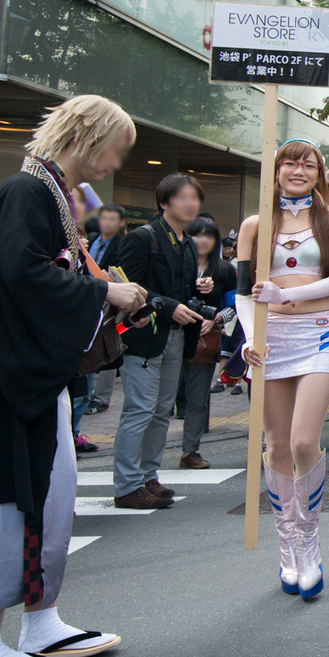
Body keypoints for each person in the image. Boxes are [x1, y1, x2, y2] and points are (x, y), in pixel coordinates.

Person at [0, 94, 145, 657]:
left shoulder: (47, 194)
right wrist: (105, 294)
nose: (117, 160)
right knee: (10, 498)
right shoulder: (27, 193)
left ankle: (40, 620)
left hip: (36, 373)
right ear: (88, 135)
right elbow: (21, 274)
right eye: (117, 146)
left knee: (52, 494)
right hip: (10, 376)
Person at [236, 139, 329, 599]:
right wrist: (250, 337)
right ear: (277, 169)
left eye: (308, 163)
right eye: (290, 162)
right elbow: (245, 292)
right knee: (277, 444)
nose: (298, 170)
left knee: (306, 440)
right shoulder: (255, 224)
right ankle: (288, 544)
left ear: (319, 172)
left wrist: (286, 295)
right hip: (271, 341)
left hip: (321, 333)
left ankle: (309, 538)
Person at [110, 174, 207, 508]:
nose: (190, 203)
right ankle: (127, 485)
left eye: (195, 197)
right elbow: (125, 286)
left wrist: (198, 292)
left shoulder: (188, 243)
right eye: (182, 197)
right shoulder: (143, 237)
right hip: (145, 337)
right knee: (139, 409)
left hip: (177, 336)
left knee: (161, 411)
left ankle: (149, 476)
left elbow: (182, 289)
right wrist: (169, 305)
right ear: (164, 201)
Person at [178, 217, 235, 470]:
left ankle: (190, 451)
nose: (202, 240)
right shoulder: (176, 264)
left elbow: (234, 305)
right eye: (196, 235)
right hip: (172, 336)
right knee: (161, 399)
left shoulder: (224, 270)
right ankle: (150, 454)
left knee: (198, 399)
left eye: (208, 236)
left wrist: (217, 320)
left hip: (203, 341)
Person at [84, 205, 127, 414]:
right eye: (104, 218)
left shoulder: (122, 244)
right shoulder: (90, 239)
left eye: (112, 219)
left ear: (120, 223)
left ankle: (101, 398)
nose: (107, 223)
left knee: (107, 344)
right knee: (87, 345)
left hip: (108, 300)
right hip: (85, 297)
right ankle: (86, 394)